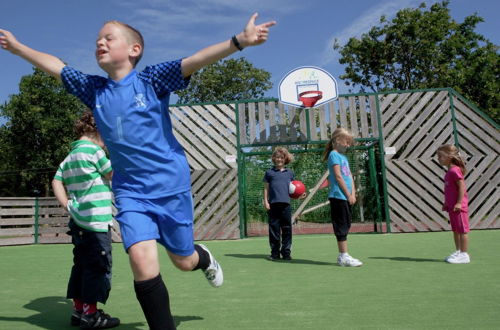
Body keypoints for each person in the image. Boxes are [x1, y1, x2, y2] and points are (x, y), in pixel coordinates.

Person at [1, 13, 276, 330]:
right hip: (130, 193)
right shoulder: (95, 91)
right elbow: (56, 66)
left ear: (133, 49)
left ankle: (203, 258)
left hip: (170, 188)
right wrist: (19, 48)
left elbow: (195, 60)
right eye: (97, 40)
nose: (100, 42)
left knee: (183, 261)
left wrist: (238, 41)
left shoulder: (152, 80)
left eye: (108, 38)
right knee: (142, 264)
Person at [52, 111, 119, 328]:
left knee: (80, 265)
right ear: (97, 131)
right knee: (97, 267)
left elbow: (56, 180)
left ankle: (78, 310)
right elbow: (112, 175)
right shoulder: (94, 152)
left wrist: (68, 206)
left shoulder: (71, 156)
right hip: (96, 223)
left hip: (78, 222)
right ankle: (91, 315)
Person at [322, 128, 362, 267]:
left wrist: (353, 194)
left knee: (347, 223)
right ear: (337, 141)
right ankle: (343, 255)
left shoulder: (344, 158)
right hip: (338, 196)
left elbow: (349, 176)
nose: (348, 145)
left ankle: (344, 255)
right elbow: (338, 176)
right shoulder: (334, 155)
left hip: (346, 197)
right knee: (341, 225)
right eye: (347, 142)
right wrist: (347, 194)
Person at [436, 144, 470, 264]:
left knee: (462, 231)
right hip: (452, 207)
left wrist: (459, 203)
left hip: (459, 207)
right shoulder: (449, 171)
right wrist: (447, 203)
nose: (438, 158)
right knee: (455, 230)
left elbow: (461, 187)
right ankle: (458, 251)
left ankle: (464, 255)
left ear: (449, 157)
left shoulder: (455, 170)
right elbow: (449, 190)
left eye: (440, 156)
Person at [263, 147, 297, 261]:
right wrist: (266, 201)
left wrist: (300, 195)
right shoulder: (269, 173)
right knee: (274, 230)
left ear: (285, 159)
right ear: (274, 158)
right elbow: (266, 189)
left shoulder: (290, 173)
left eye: (281, 158)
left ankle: (286, 253)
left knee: (287, 229)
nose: (279, 160)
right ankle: (275, 253)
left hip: (286, 205)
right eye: (277, 157)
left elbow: (294, 189)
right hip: (273, 205)